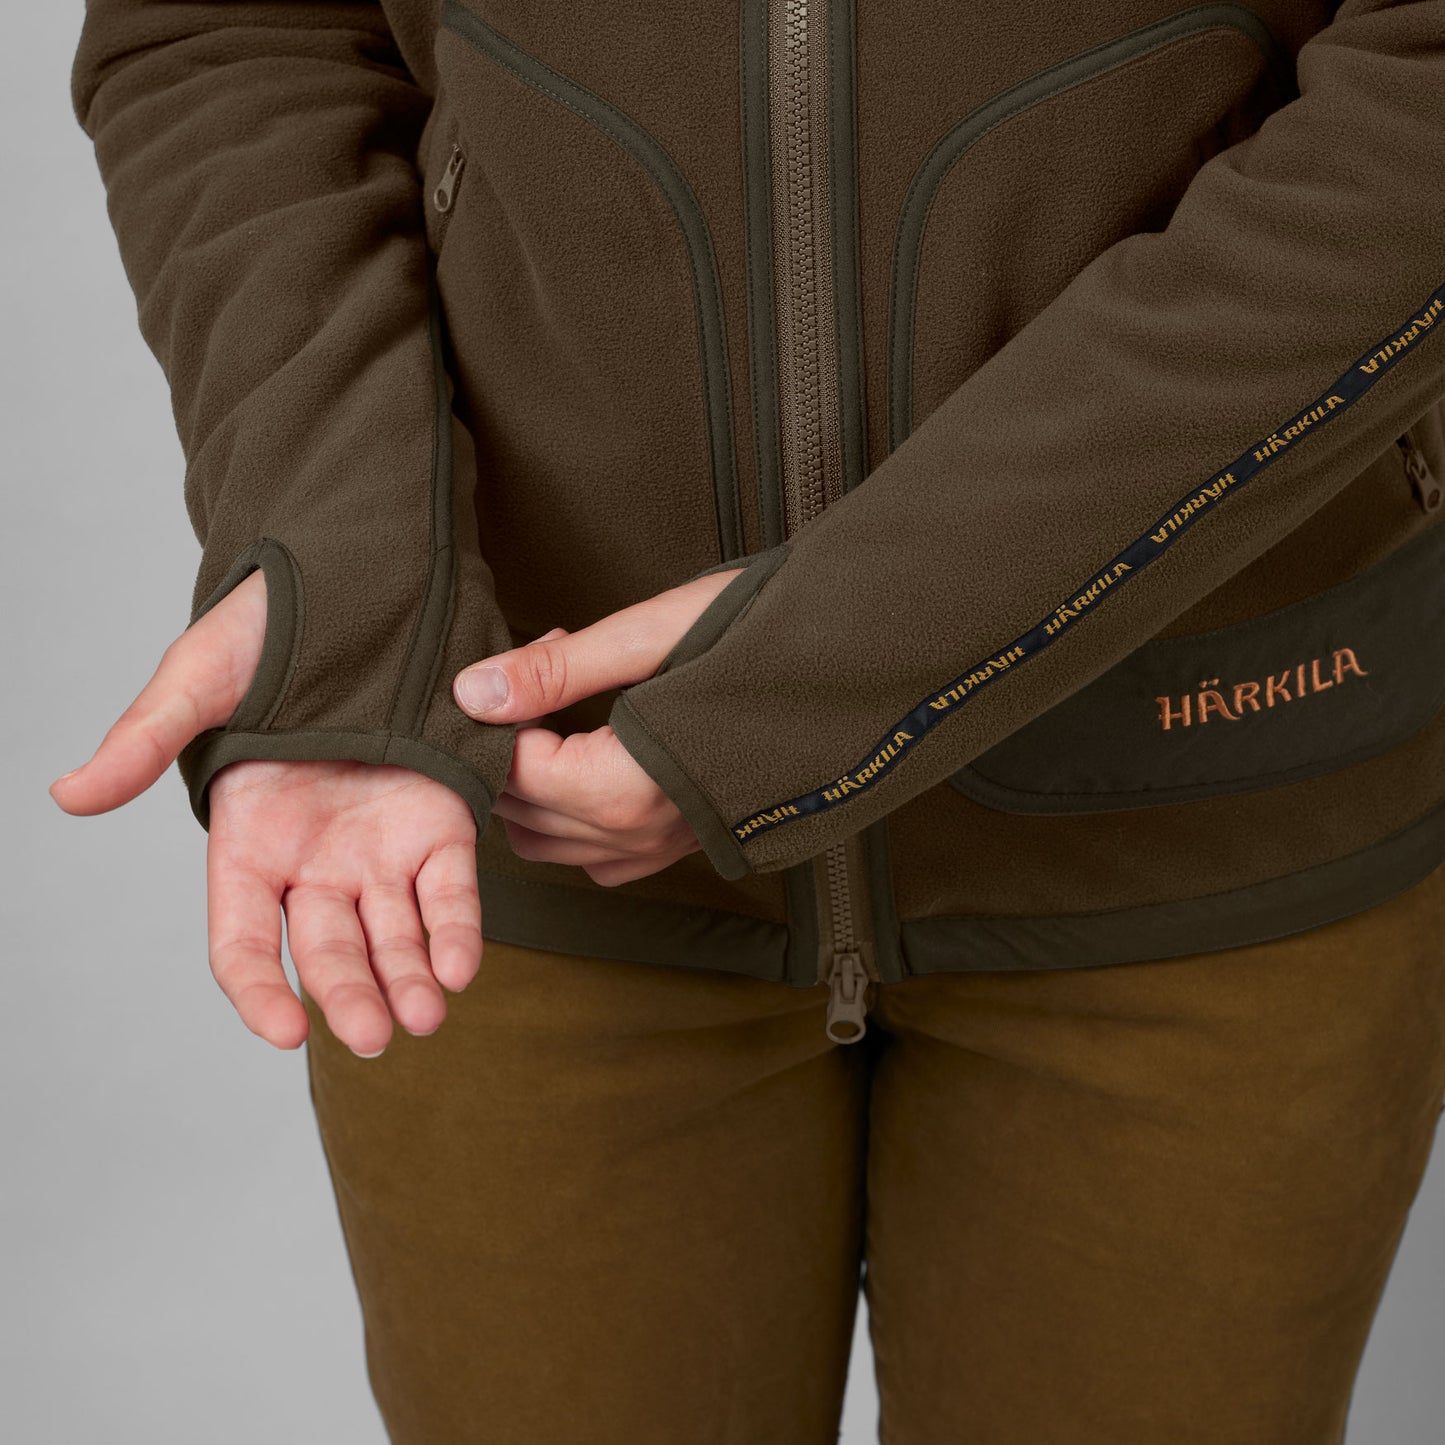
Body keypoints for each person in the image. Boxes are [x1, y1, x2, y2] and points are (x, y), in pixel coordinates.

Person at [58, 0, 1445, 1439]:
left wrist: (824, 667)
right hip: (509, 822)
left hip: (1199, 821)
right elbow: (231, 28)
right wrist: (346, 565)